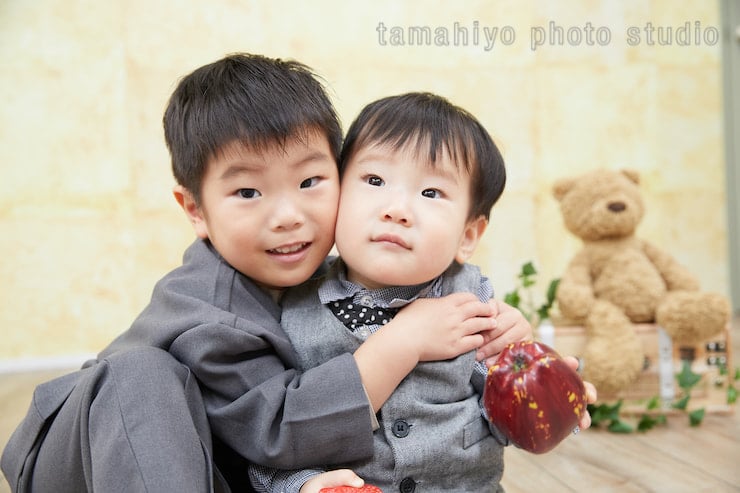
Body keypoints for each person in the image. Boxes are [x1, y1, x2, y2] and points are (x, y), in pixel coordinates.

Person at [1, 55, 530, 493]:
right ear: (195, 210)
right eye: (248, 192)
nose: (287, 216)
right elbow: (280, 430)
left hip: (208, 462)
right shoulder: (208, 311)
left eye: (310, 181)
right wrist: (406, 339)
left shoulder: (331, 280)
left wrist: (497, 334)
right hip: (84, 460)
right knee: (141, 372)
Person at [249, 92, 597, 493]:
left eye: (430, 193)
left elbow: (508, 417)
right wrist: (302, 485)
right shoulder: (289, 301)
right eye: (375, 180)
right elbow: (269, 444)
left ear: (468, 236)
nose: (396, 209)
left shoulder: (472, 303)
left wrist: (551, 398)